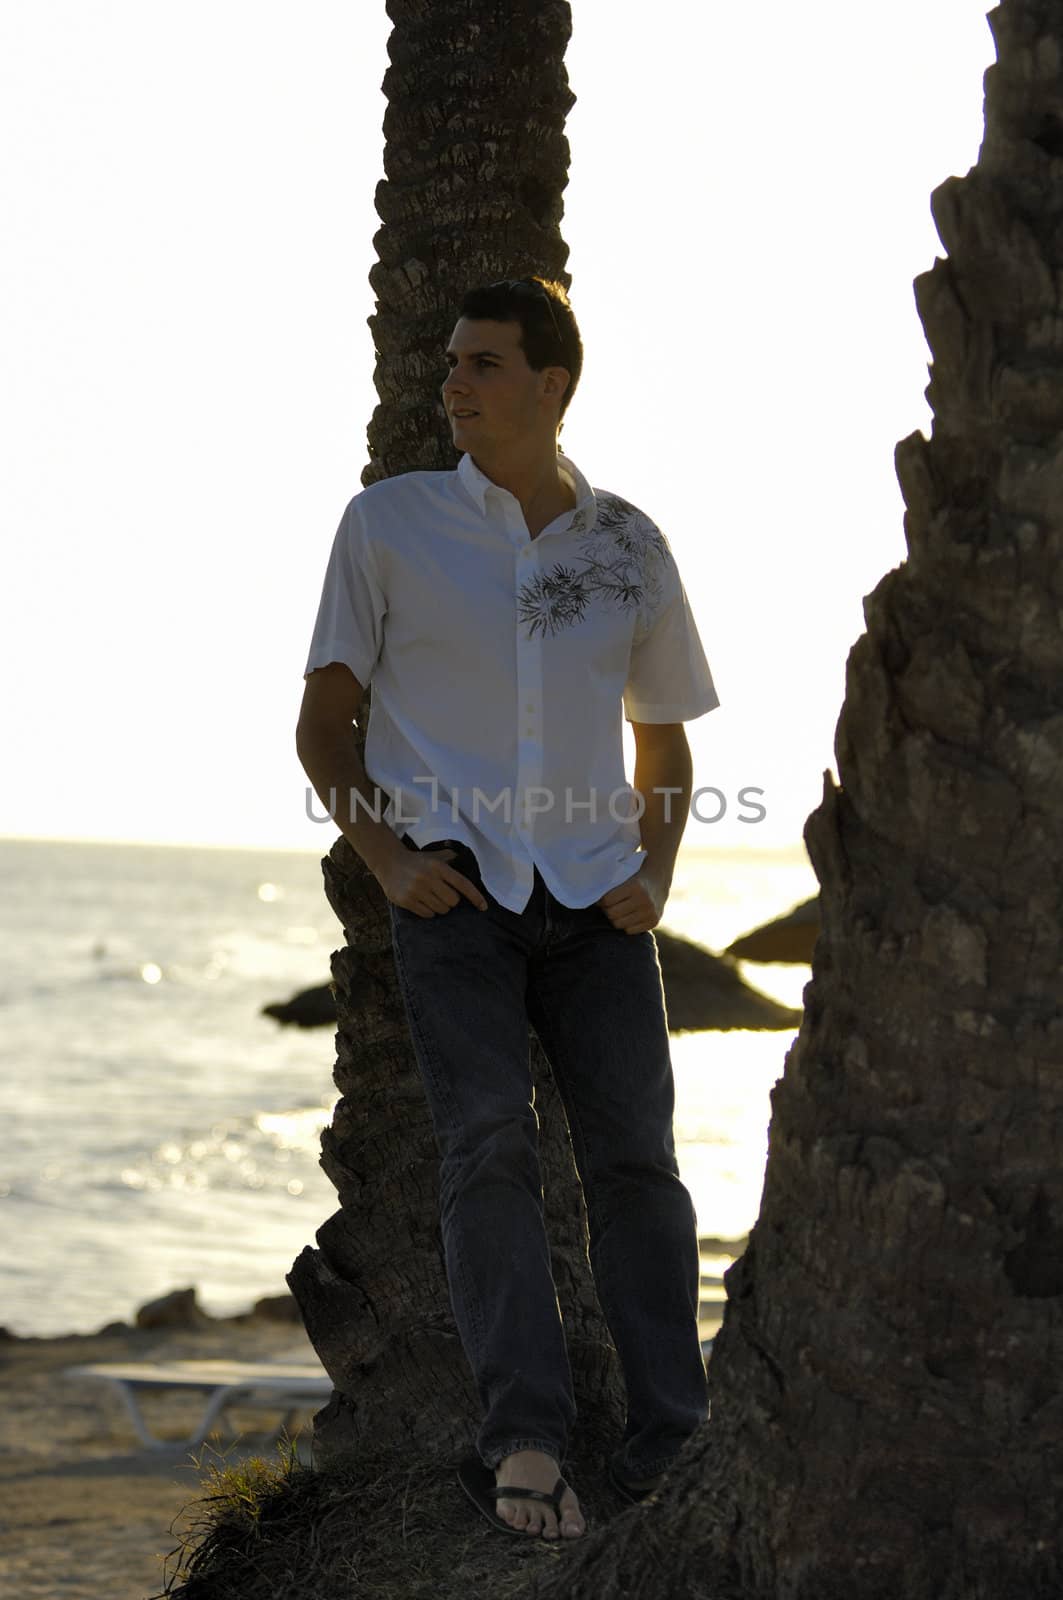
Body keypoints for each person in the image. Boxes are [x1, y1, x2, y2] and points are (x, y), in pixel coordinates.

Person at [296, 276, 719, 1542]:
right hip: (454, 891)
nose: (453, 384)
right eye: (450, 363)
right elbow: (324, 727)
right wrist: (385, 861)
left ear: (551, 385)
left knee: (638, 1166)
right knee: (485, 1149)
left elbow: (668, 746)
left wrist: (656, 873)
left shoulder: (628, 546)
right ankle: (525, 1443)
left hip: (599, 903)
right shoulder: (388, 525)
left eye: (483, 363)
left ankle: (671, 1437)